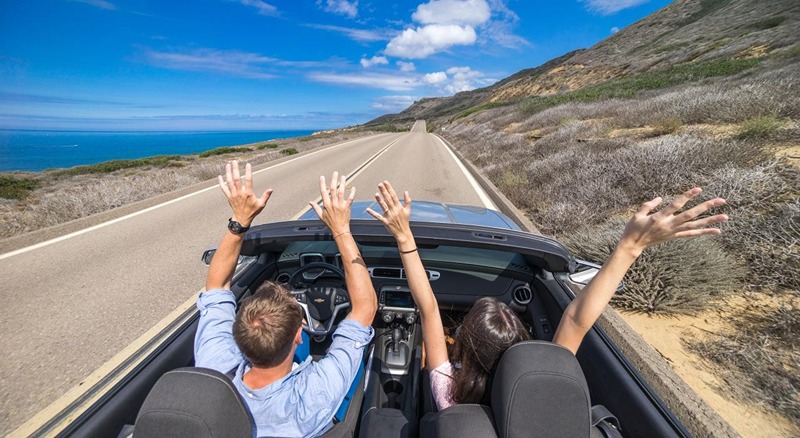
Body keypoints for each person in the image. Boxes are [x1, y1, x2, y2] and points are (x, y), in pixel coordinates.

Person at [366, 181, 728, 411]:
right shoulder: (540, 394)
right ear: (522, 343)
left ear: (461, 349)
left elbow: (428, 307)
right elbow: (576, 318)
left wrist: (404, 236)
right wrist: (632, 246)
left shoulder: (447, 391)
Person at [194, 161, 377, 437]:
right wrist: (340, 228)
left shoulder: (216, 369)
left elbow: (217, 284)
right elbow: (365, 306)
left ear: (237, 335)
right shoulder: (312, 399)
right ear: (298, 336)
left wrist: (239, 221)